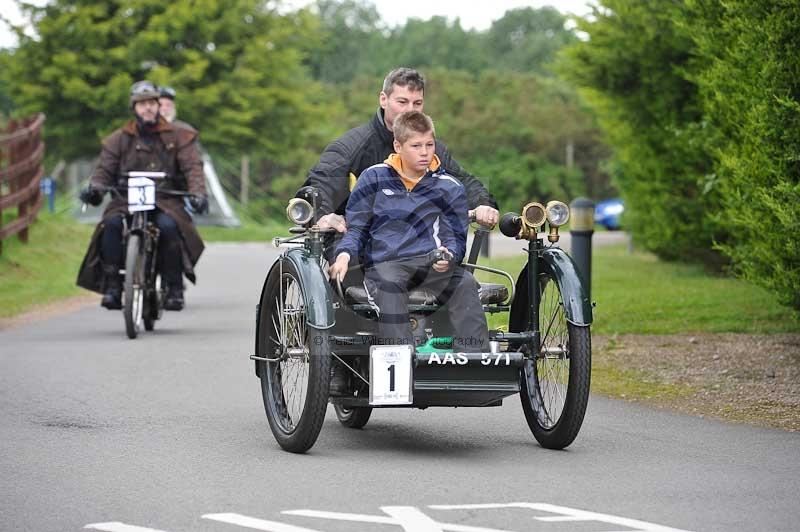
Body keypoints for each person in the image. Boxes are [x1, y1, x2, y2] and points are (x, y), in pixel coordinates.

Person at [329, 111, 489, 372]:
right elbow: (356, 229)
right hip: (386, 264)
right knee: (390, 284)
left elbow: (455, 237)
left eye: (429, 144)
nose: (424, 152)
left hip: (431, 263)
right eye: (416, 146)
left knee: (465, 282)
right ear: (398, 146)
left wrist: (450, 255)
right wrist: (344, 255)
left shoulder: (449, 186)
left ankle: (472, 363)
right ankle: (401, 365)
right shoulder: (374, 178)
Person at [301, 67, 500, 233]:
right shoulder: (352, 145)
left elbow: (464, 181)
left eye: (417, 103)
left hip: (416, 240)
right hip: (353, 239)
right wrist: (324, 216)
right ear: (383, 99)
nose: (410, 110)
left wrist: (484, 205)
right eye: (402, 102)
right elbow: (320, 184)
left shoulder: (433, 148)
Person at [77, 80, 208, 311]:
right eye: (141, 104)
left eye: (151, 103)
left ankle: (174, 287)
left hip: (166, 201)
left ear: (158, 106)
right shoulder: (118, 139)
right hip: (125, 200)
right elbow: (104, 171)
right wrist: (94, 189)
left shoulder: (179, 135)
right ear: (134, 108)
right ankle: (113, 287)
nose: (147, 108)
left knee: (169, 227)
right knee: (111, 225)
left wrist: (198, 193)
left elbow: (192, 167)